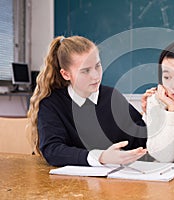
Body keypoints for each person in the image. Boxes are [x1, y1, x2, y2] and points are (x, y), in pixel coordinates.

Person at [27, 35, 147, 167]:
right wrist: (101, 157)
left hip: (114, 182)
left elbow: (141, 139)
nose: (95, 76)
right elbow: (52, 150)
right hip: (69, 184)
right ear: (66, 74)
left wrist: (151, 112)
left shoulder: (112, 97)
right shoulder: (52, 104)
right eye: (85, 71)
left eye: (98, 66)